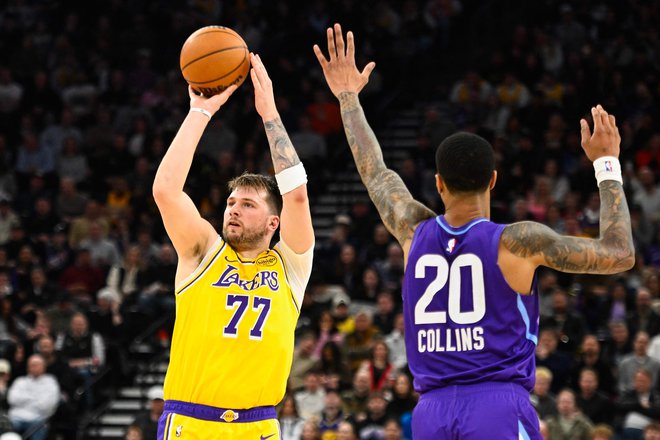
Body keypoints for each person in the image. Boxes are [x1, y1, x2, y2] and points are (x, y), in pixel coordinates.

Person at [314, 23, 635, 439]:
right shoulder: (518, 243)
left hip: (430, 412)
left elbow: (376, 173)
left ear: (439, 184)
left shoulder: (413, 232)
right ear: (494, 180)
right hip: (495, 405)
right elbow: (619, 252)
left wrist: (348, 98)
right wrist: (606, 164)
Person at [152, 53, 314, 439]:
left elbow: (296, 197)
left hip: (258, 426)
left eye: (247, 204)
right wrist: (200, 112)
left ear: (273, 222)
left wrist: (269, 114)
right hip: (190, 423)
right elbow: (165, 191)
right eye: (230, 203)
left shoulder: (290, 267)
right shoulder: (203, 251)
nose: (233, 210)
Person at [7, 354, 60, 440]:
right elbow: (12, 400)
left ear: (43, 366)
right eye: (31, 365)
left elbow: (46, 407)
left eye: (36, 365)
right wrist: (35, 398)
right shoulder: (20, 381)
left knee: (39, 427)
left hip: (38, 419)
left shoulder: (51, 382)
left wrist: (23, 399)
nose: (33, 367)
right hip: (16, 417)